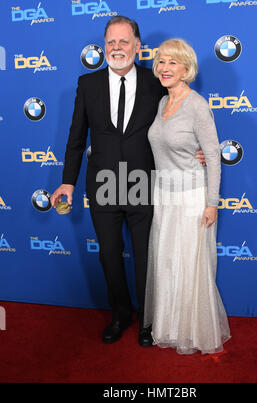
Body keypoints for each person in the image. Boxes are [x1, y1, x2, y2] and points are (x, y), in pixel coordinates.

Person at [50, 16, 206, 347]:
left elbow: (178, 120)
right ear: (103, 46)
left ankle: (148, 321)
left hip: (145, 183)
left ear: (138, 45)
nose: (117, 48)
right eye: (111, 42)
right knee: (108, 253)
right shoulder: (87, 84)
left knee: (146, 256)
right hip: (103, 183)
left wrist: (196, 151)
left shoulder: (156, 83)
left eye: (124, 42)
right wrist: (67, 182)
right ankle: (120, 314)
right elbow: (76, 138)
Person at [143, 38, 231, 355]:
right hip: (164, 197)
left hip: (192, 198)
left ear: (186, 69)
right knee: (167, 263)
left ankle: (193, 332)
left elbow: (213, 156)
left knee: (190, 267)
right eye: (161, 61)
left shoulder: (197, 105)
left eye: (173, 62)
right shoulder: (162, 103)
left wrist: (212, 203)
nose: (165, 68)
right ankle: (167, 327)